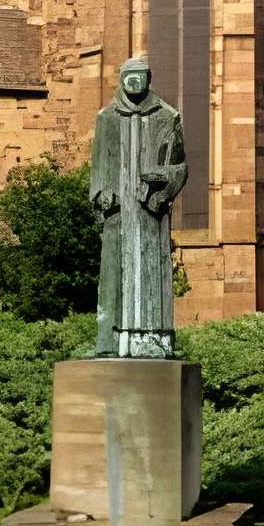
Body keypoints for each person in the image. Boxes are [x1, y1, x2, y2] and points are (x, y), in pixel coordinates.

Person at [90, 57, 187, 357]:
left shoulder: (167, 117)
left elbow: (181, 167)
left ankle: (154, 342)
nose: (134, 82)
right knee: (113, 279)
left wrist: (162, 185)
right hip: (117, 216)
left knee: (152, 275)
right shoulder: (107, 118)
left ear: (149, 78)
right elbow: (98, 166)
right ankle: (109, 344)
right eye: (129, 77)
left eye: (140, 76)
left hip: (149, 216)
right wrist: (100, 196)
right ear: (121, 80)